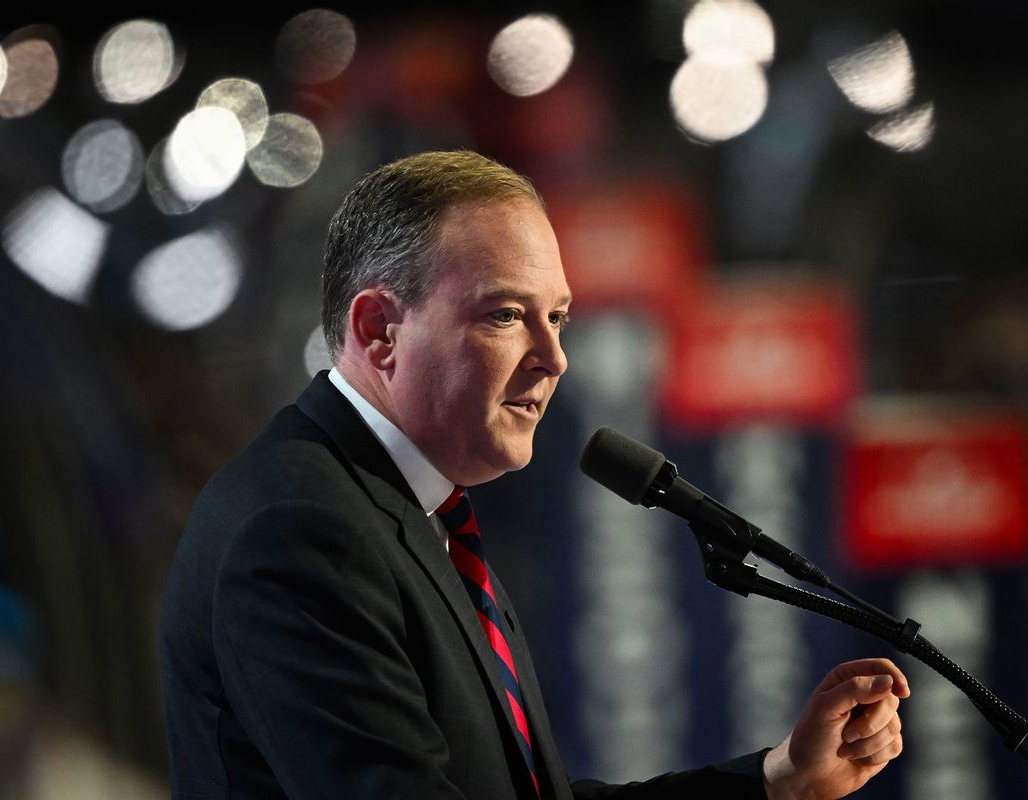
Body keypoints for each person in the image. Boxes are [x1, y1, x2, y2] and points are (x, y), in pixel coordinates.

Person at [160, 150, 909, 799]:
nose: (554, 359)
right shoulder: (302, 530)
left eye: (559, 318)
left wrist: (777, 782)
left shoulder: (409, 516)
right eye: (505, 315)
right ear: (378, 332)